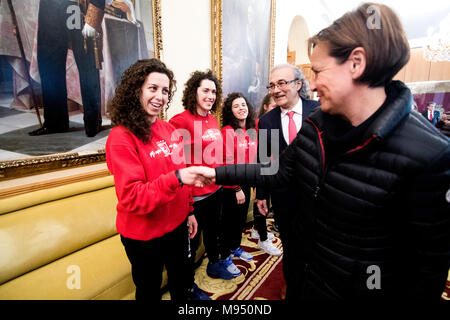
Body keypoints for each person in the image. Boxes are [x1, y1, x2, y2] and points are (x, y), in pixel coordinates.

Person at [202, 3, 450, 300]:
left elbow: (424, 272)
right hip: (308, 275)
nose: (313, 84)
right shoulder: (316, 124)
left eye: (318, 71)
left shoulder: (431, 155)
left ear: (356, 63)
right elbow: (275, 168)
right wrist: (213, 173)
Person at [105, 59, 210, 301]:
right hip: (144, 236)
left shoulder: (168, 129)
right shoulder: (121, 137)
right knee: (149, 290)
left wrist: (190, 211)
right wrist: (176, 178)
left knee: (182, 281)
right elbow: (133, 197)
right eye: (152, 88)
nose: (160, 96)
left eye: (165, 91)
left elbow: (182, 176)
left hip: (177, 225)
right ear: (136, 90)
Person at [255, 63, 319, 288]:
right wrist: (261, 195)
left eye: (282, 83)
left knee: (317, 248)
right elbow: (263, 160)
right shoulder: (266, 121)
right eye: (272, 85)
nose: (275, 89)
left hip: (319, 197)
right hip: (284, 198)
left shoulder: (319, 110)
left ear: (298, 84)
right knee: (291, 248)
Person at [169, 70, 236, 281]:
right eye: (205, 90)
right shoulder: (180, 121)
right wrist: (187, 202)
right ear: (193, 92)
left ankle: (214, 265)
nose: (211, 96)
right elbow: (176, 164)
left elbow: (215, 157)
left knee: (214, 234)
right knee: (191, 244)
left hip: (215, 191)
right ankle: (188, 287)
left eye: (214, 91)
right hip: (195, 197)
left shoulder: (212, 121)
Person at [30, 0, 104, 137]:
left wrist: (93, 18)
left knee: (87, 63)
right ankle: (55, 123)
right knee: (49, 65)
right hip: (50, 8)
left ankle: (92, 121)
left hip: (76, 7)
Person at [220, 92, 258, 276]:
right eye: (236, 106)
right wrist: (237, 189)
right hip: (231, 186)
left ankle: (235, 247)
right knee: (229, 222)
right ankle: (225, 255)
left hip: (246, 181)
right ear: (230, 111)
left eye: (243, 105)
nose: (241, 108)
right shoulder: (227, 131)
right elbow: (226, 162)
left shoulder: (251, 130)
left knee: (240, 220)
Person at [250, 93, 281, 256]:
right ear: (265, 107)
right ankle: (262, 238)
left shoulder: (276, 123)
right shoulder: (260, 123)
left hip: (272, 168)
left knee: (264, 201)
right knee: (260, 201)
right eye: (274, 107)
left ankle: (257, 229)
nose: (277, 110)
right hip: (261, 169)